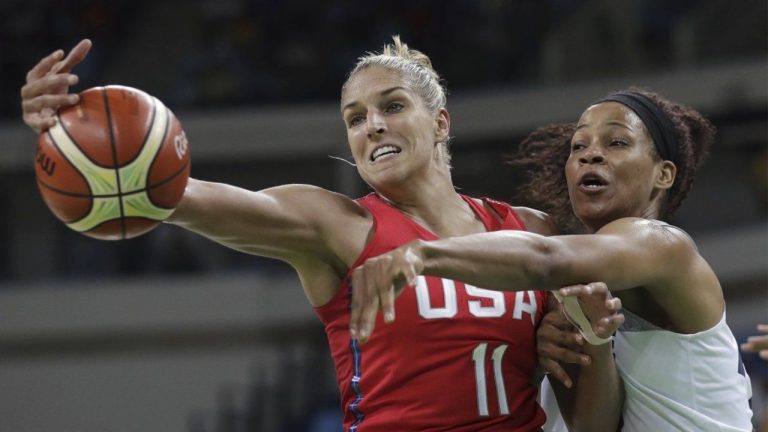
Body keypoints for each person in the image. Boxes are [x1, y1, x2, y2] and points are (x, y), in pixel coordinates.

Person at [21, 37, 623, 432]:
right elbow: (181, 195)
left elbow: (592, 424)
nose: (372, 127)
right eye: (355, 119)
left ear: (440, 122)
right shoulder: (338, 225)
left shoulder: (532, 233)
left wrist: (592, 343)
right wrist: (80, 145)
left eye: (391, 107)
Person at [349, 88, 755, 431]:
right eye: (579, 146)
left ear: (663, 174)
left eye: (616, 143)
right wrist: (592, 346)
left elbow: (543, 257)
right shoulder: (585, 293)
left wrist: (422, 251)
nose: (589, 156)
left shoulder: (664, 246)